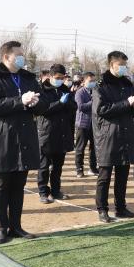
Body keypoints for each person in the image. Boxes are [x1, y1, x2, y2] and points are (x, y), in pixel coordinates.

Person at [0, 41, 48, 243]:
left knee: (19, 185)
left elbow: (44, 105)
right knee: (1, 186)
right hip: (2, 138)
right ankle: (1, 228)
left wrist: (36, 103)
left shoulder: (28, 78)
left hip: (25, 136)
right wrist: (20, 101)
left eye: (22, 54)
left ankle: (16, 226)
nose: (22, 58)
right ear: (6, 57)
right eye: (18, 55)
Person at [92, 51, 134, 222]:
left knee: (123, 174)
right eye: (120, 65)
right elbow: (102, 109)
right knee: (105, 175)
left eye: (125, 65)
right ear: (111, 65)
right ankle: (102, 209)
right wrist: (127, 103)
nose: (123, 68)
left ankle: (121, 207)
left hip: (126, 133)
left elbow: (133, 111)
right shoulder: (101, 86)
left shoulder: (127, 84)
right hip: (108, 135)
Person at [36, 65, 77, 204]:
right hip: (47, 132)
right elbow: (43, 110)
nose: (60, 80)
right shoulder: (41, 90)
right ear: (50, 76)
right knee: (44, 165)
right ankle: (43, 192)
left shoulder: (65, 89)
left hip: (62, 132)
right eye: (57, 77)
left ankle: (56, 190)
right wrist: (59, 103)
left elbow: (73, 107)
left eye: (62, 77)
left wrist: (68, 102)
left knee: (58, 166)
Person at [74, 72, 98, 177]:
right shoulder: (80, 92)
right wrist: (93, 101)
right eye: (90, 81)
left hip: (94, 124)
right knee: (80, 148)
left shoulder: (96, 91)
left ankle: (93, 168)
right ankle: (79, 168)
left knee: (94, 148)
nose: (93, 83)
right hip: (82, 124)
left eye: (94, 80)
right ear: (83, 82)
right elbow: (81, 107)